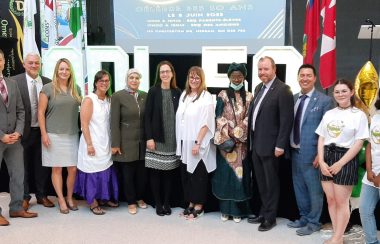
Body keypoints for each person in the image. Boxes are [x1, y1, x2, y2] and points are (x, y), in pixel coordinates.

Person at [316, 79, 368, 244]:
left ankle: (338, 238)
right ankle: (336, 236)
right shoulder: (329, 114)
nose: (340, 94)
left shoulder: (358, 115)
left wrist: (340, 163)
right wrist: (322, 161)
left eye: (344, 91)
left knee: (342, 201)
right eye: (337, 91)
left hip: (346, 159)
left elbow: (359, 142)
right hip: (327, 156)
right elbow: (321, 138)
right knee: (331, 200)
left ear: (352, 92)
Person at [247, 56, 294, 231]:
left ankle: (271, 217)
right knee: (261, 182)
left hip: (272, 147)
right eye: (260, 69)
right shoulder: (259, 88)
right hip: (256, 146)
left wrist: (280, 145)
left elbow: (286, 120)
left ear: (274, 69)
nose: (262, 72)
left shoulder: (283, 90)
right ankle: (263, 212)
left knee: (271, 183)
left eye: (266, 69)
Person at [287, 64, 334, 235]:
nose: (304, 78)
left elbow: (328, 131)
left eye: (308, 75)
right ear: (298, 77)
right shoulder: (292, 99)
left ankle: (314, 222)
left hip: (313, 154)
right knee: (299, 188)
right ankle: (304, 218)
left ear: (314, 78)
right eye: (302, 75)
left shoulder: (324, 101)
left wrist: (321, 155)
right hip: (294, 152)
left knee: (314, 191)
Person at [38, 58, 82, 214]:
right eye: (61, 69)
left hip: (72, 134)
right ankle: (61, 200)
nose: (64, 72)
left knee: (73, 169)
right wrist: (43, 134)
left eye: (67, 69)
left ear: (71, 72)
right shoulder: (47, 88)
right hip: (53, 134)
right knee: (56, 169)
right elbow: (40, 113)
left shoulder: (76, 89)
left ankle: (70, 197)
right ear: (56, 70)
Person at [12, 53, 55, 210]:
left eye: (37, 63)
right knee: (22, 166)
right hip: (22, 131)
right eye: (30, 63)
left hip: (43, 131)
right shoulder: (15, 81)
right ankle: (24, 196)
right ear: (24, 64)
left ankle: (42, 195)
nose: (34, 65)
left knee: (42, 165)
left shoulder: (48, 83)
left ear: (40, 64)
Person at [212, 63, 253, 223]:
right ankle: (225, 210)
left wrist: (238, 133)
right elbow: (218, 117)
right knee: (225, 177)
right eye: (234, 76)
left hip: (241, 146)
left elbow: (249, 118)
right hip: (226, 145)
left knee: (239, 178)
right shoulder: (222, 95)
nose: (237, 78)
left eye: (240, 76)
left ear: (244, 77)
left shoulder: (249, 96)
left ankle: (237, 211)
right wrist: (229, 133)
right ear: (229, 77)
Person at [0, 49, 37, 226]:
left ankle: (16, 208)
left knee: (18, 174)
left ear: (3, 61)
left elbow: (21, 110)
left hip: (15, 139)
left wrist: (19, 132)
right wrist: (2, 136)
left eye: (0, 59)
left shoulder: (12, 83)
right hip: (0, 138)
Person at [74, 70, 118, 215]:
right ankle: (93, 202)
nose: (104, 83)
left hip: (105, 141)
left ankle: (103, 198)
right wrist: (89, 144)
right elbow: (84, 124)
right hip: (92, 141)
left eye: (107, 80)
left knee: (105, 170)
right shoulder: (89, 99)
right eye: (101, 81)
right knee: (92, 171)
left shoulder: (108, 100)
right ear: (95, 83)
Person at [176, 66, 215, 219]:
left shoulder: (206, 96)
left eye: (197, 77)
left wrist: (198, 142)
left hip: (199, 141)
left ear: (202, 79)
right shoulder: (184, 95)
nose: (194, 80)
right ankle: (191, 202)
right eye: (191, 77)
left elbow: (206, 122)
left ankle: (199, 205)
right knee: (187, 174)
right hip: (185, 141)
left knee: (199, 174)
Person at [144, 61, 181, 216]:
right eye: (162, 72)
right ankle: (158, 203)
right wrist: (149, 137)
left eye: (167, 71)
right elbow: (147, 116)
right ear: (159, 75)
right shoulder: (153, 91)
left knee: (169, 174)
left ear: (172, 73)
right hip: (156, 140)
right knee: (155, 174)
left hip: (172, 141)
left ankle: (167, 203)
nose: (165, 74)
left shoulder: (178, 92)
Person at [111, 68, 148, 215]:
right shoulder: (117, 96)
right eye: (131, 78)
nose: (134, 80)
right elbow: (114, 122)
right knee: (128, 175)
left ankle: (140, 198)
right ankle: (131, 201)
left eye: (137, 78)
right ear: (127, 79)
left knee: (141, 175)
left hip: (142, 142)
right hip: (125, 142)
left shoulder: (145, 95)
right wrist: (115, 143)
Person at [360, 95, 380, 244]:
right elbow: (369, 144)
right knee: (365, 210)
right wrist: (368, 168)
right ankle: (372, 242)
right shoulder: (375, 117)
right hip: (371, 174)